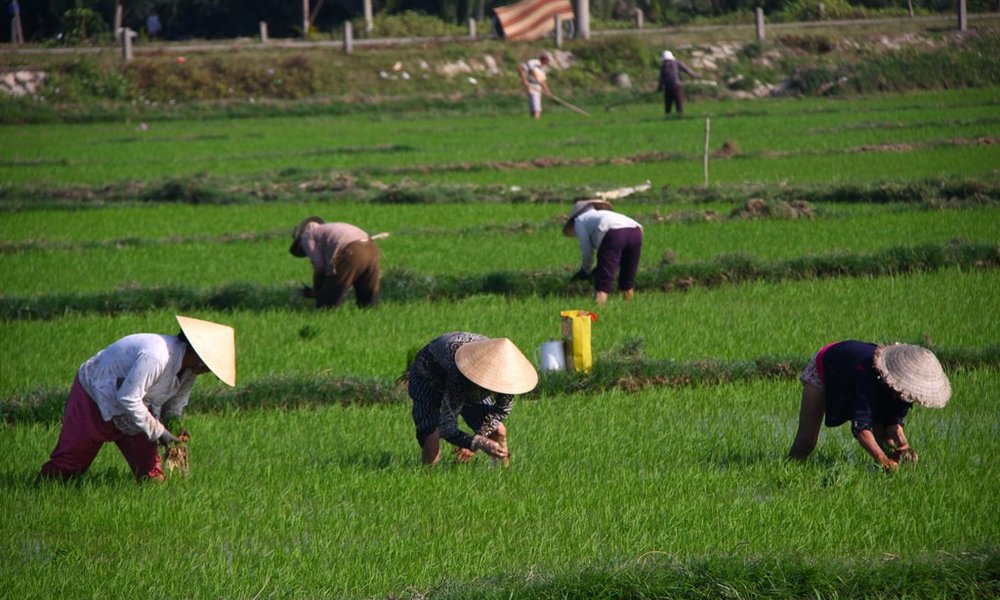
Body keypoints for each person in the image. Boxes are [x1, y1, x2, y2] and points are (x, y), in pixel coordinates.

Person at [39, 315, 236, 482]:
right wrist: (161, 432)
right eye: (209, 368)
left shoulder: (189, 372)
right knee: (67, 468)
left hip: (139, 410)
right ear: (200, 359)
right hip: (98, 395)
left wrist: (174, 427)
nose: (207, 373)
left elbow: (174, 406)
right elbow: (128, 398)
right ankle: (41, 489)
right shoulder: (157, 355)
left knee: (151, 477)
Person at [788, 341, 951, 471]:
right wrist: (883, 460)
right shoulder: (869, 376)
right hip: (826, 366)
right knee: (807, 441)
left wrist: (904, 447)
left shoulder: (904, 391)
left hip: (855, 374)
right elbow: (861, 427)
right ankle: (790, 471)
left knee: (885, 438)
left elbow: (894, 422)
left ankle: (887, 478)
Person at [407, 332, 538, 466]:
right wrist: (476, 442)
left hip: (470, 382)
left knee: (499, 430)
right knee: (431, 435)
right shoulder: (460, 374)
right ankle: (430, 478)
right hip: (428, 375)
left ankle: (503, 476)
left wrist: (479, 436)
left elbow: (501, 410)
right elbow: (447, 427)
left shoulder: (507, 376)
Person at [290, 216, 383, 309]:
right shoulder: (329, 230)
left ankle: (325, 313)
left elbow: (320, 266)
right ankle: (369, 310)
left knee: (327, 301)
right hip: (371, 247)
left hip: (352, 251)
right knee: (367, 292)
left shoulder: (306, 236)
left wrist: (317, 289)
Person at [564, 199, 644, 305]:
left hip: (615, 234)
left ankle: (600, 309)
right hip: (636, 232)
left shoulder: (579, 220)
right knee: (628, 277)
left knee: (603, 280)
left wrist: (585, 271)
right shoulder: (605, 214)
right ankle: (630, 306)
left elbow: (587, 251)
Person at [656, 50, 698, 117]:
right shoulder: (677, 63)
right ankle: (680, 116)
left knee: (668, 104)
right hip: (676, 86)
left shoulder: (662, 66)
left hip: (667, 87)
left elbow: (661, 79)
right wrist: (695, 75)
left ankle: (667, 117)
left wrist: (659, 88)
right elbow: (687, 70)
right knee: (679, 103)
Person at [519, 51, 553, 119]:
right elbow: (521, 68)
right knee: (536, 107)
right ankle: (536, 121)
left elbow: (542, 81)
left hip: (538, 87)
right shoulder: (533, 63)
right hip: (531, 85)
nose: (548, 62)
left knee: (535, 107)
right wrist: (524, 80)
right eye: (548, 60)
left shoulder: (543, 68)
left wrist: (547, 91)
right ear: (544, 59)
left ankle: (534, 123)